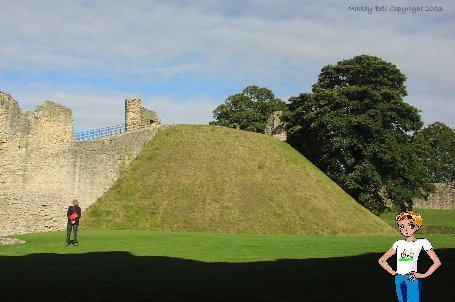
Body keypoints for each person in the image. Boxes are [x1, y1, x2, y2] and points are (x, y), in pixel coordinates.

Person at [378, 210, 441, 302]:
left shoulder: (422, 242)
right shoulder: (398, 243)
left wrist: (424, 275)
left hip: (412, 277)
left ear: (417, 226)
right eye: (402, 226)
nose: (406, 229)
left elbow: (437, 262)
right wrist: (393, 272)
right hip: (398, 277)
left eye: (410, 225)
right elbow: (382, 260)